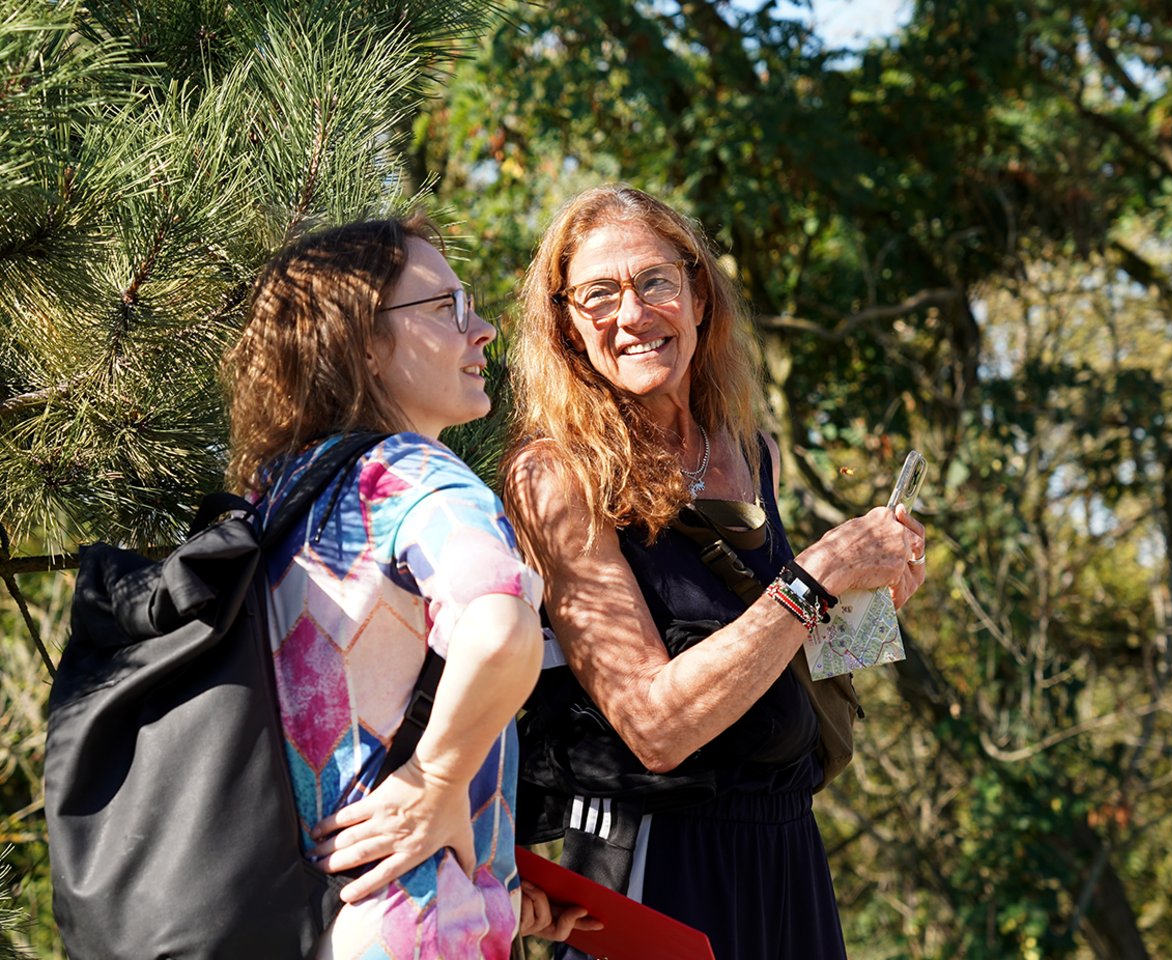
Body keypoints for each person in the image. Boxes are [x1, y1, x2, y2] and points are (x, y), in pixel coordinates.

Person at [502, 185, 927, 960]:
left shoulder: (747, 450)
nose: (631, 315)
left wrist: (867, 600)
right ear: (566, 326)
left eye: (654, 282)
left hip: (786, 847)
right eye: (597, 294)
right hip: (652, 859)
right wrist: (818, 573)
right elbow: (655, 727)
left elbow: (782, 658)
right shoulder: (555, 475)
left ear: (699, 295)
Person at [222, 218, 599, 960]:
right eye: (445, 309)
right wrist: (434, 779)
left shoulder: (280, 501)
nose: (483, 329)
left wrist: (495, 896)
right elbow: (502, 631)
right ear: (361, 341)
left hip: (312, 923)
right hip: (412, 929)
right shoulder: (420, 478)